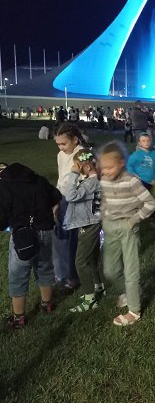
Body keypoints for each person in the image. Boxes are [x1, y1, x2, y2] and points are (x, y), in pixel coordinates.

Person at [99, 141, 155, 326]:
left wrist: (133, 220)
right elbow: (104, 202)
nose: (106, 171)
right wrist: (103, 218)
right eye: (103, 167)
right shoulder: (103, 180)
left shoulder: (131, 181)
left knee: (130, 270)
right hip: (110, 228)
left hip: (128, 229)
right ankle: (131, 291)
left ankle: (134, 310)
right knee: (110, 270)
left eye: (110, 167)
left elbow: (150, 203)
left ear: (121, 163)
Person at [0, 162, 61, 329]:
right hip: (46, 231)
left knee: (18, 275)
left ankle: (18, 318)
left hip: (23, 236)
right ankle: (47, 304)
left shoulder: (4, 186)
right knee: (45, 267)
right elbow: (56, 196)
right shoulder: (39, 180)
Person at [61, 149, 104, 312]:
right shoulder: (94, 180)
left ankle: (90, 299)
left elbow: (70, 195)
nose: (75, 169)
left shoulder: (90, 183)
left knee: (80, 261)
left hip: (89, 224)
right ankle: (99, 285)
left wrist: (73, 174)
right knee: (92, 256)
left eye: (77, 166)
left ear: (86, 166)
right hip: (92, 221)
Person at [53, 123, 87, 290]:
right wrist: (56, 200)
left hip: (76, 201)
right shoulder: (61, 155)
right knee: (61, 237)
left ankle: (73, 277)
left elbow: (87, 182)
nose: (61, 147)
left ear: (75, 139)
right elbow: (61, 179)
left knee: (73, 240)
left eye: (64, 143)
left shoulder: (83, 154)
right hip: (62, 198)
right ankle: (62, 272)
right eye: (58, 144)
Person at [127, 133, 155, 222]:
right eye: (143, 141)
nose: (146, 143)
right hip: (139, 181)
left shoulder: (153, 154)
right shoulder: (136, 155)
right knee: (140, 199)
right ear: (139, 143)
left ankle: (152, 216)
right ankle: (137, 216)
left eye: (148, 140)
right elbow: (129, 166)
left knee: (149, 199)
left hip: (149, 181)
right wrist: (135, 175)